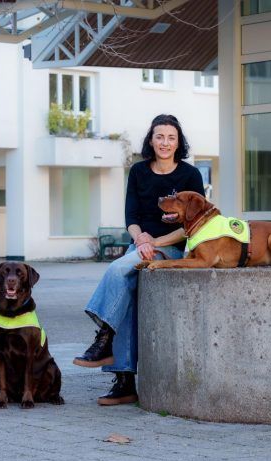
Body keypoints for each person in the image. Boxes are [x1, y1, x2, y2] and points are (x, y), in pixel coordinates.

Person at [73, 114, 204, 405]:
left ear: (178, 141)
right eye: (160, 137)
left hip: (172, 248)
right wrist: (141, 239)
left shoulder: (190, 175)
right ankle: (124, 381)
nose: (165, 143)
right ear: (151, 140)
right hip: (142, 244)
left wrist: (154, 242)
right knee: (128, 296)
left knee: (119, 269)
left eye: (171, 137)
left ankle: (105, 336)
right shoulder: (139, 172)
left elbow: (192, 226)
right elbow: (131, 217)